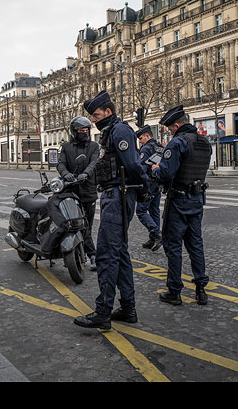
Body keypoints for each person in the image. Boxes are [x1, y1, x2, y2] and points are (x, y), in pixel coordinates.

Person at [73, 91, 149, 330]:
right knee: (120, 253)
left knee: (106, 253)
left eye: (96, 115)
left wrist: (144, 188)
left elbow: (133, 165)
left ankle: (103, 311)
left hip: (118, 195)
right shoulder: (109, 132)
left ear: (108, 111)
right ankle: (128, 307)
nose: (93, 120)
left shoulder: (120, 130)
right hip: (113, 194)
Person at [151, 105, 211, 306]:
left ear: (177, 125)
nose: (169, 132)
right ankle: (201, 289)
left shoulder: (178, 143)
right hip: (197, 200)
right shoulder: (204, 142)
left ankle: (174, 291)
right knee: (196, 244)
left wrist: (156, 169)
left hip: (178, 201)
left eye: (170, 128)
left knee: (173, 245)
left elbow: (167, 174)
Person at [57, 116, 99, 271]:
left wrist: (86, 174)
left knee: (87, 224)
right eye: (80, 130)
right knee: (70, 223)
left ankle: (92, 254)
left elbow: (94, 163)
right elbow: (60, 163)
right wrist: (65, 173)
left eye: (86, 130)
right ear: (74, 132)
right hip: (71, 190)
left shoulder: (94, 146)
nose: (84, 132)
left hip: (88, 190)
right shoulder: (66, 147)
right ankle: (72, 250)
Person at [135, 125, 163, 252]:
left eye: (141, 138)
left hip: (148, 184)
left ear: (147, 136)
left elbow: (141, 169)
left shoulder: (146, 149)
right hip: (158, 182)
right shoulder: (160, 148)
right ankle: (153, 238)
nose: (140, 141)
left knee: (141, 211)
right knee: (154, 211)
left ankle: (157, 234)